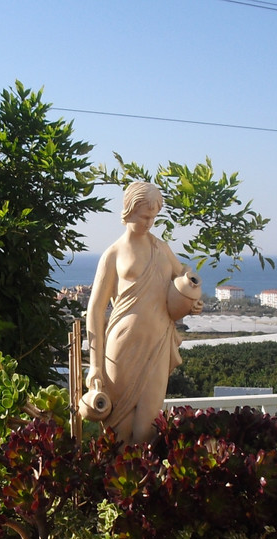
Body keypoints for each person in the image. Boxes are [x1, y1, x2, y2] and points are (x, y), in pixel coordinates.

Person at [85, 181, 203, 444]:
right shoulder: (113, 254)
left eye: (153, 217)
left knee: (147, 428)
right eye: (144, 216)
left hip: (158, 343)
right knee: (118, 428)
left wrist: (193, 299)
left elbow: (183, 275)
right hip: (122, 348)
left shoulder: (161, 249)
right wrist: (95, 366)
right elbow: (94, 309)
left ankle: (147, 472)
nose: (149, 223)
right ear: (128, 210)